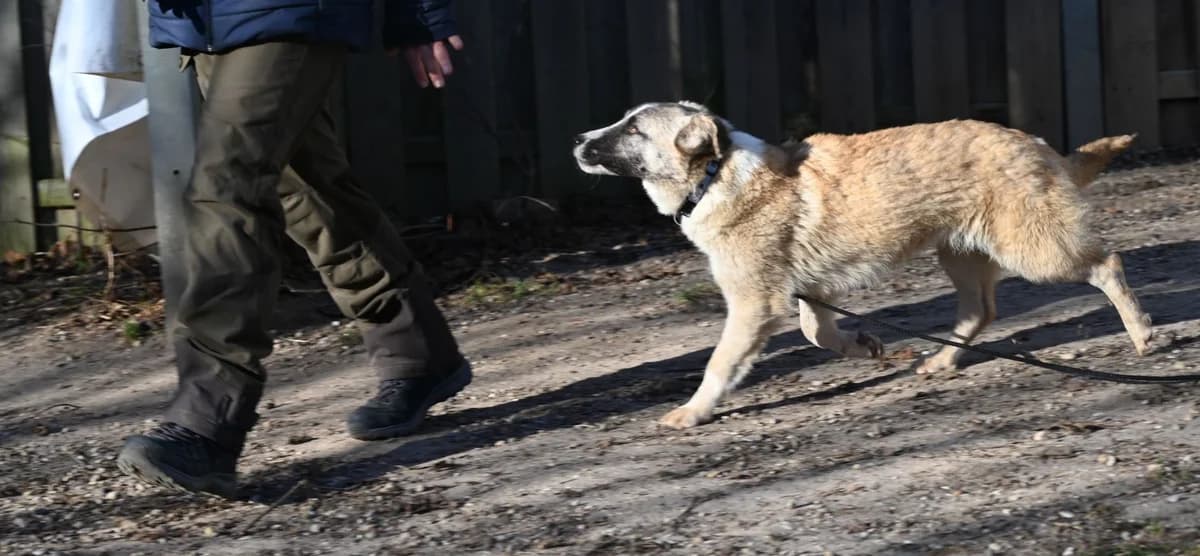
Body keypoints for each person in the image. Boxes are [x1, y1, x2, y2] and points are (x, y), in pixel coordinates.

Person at [116, 0, 471, 498]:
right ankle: (418, 348)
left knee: (227, 188)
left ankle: (208, 418)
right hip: (207, 17)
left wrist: (419, 12)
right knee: (305, 186)